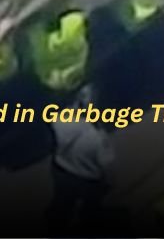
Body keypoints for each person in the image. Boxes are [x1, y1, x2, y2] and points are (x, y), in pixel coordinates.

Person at [45, 85, 115, 233]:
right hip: (88, 179)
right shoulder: (98, 138)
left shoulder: (60, 119)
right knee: (91, 207)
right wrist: (110, 183)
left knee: (61, 202)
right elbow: (107, 165)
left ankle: (54, 228)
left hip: (61, 169)